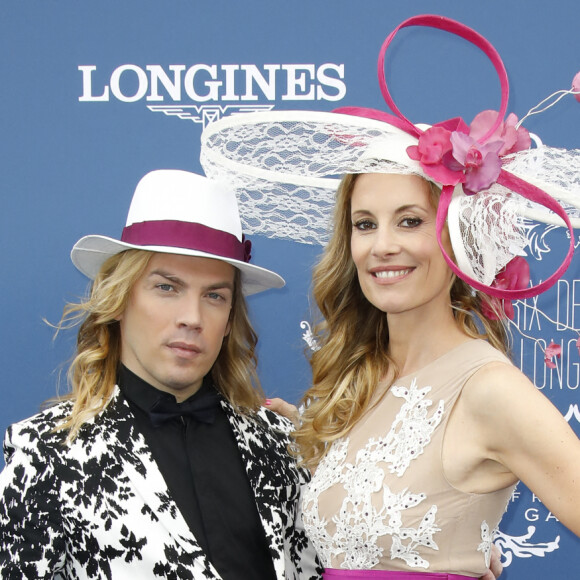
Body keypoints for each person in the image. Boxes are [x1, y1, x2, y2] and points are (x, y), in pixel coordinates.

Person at [199, 15, 580, 580]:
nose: (383, 246)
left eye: (409, 221)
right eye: (364, 223)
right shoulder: (360, 378)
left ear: (456, 234)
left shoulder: (488, 389)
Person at [0, 169, 321, 579]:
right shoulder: (45, 454)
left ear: (229, 320)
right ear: (118, 299)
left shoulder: (280, 442)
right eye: (167, 287)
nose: (192, 318)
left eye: (214, 296)